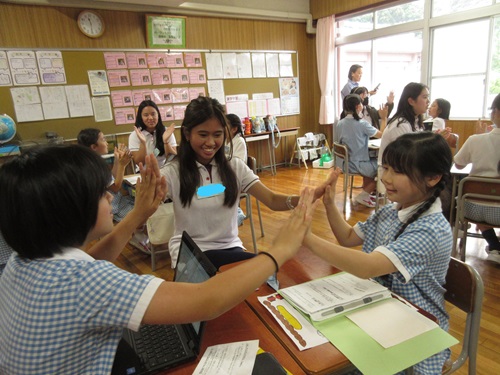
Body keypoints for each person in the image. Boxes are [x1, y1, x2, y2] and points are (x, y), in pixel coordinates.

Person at [0, 143, 318, 374]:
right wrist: (279, 251)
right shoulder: (87, 283)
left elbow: (93, 260)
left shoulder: (20, 261)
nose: (110, 196)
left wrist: (138, 213)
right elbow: (208, 300)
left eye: (218, 134)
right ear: (70, 210)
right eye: (100, 193)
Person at [304, 132, 454, 374]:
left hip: (417, 323)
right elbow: (348, 237)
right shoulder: (391, 212)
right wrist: (330, 204)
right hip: (380, 309)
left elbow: (368, 266)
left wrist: (307, 239)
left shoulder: (431, 229)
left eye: (399, 171)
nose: (386, 178)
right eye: (385, 168)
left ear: (433, 178)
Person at [161, 96, 335, 269]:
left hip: (230, 249)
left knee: (269, 276)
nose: (211, 142)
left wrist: (309, 197)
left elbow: (272, 200)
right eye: (203, 135)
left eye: (217, 135)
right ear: (187, 134)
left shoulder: (234, 167)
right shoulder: (173, 172)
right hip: (190, 254)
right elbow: (145, 208)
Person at [454, 93, 500, 262]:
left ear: (494, 112)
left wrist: (479, 138)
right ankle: (495, 247)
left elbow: (458, 164)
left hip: (472, 209)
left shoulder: (475, 140)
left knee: (475, 199)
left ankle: (495, 246)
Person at [337, 94, 387, 208]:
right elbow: (382, 135)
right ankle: (364, 195)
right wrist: (384, 118)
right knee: (383, 167)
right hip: (357, 164)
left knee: (372, 161)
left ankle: (367, 194)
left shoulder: (340, 123)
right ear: (358, 106)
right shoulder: (362, 124)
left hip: (344, 163)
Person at [77, 128, 134, 222]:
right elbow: (116, 187)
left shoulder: (90, 161)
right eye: (103, 140)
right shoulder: (95, 166)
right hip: (111, 206)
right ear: (94, 147)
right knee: (139, 211)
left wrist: (117, 160)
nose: (107, 143)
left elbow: (112, 179)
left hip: (112, 202)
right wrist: (122, 166)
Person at [128, 100, 177, 168]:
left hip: (165, 170)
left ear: (158, 115)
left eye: (153, 114)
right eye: (146, 115)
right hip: (145, 172)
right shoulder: (134, 135)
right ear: (141, 117)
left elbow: (173, 159)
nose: (150, 118)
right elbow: (140, 163)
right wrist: (143, 142)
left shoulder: (167, 132)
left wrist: (166, 142)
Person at [225, 113, 248, 226]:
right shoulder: (224, 141)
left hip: (234, 179)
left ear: (234, 129)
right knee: (203, 192)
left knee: (208, 192)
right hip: (224, 177)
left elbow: (236, 166)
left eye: (225, 125)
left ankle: (236, 213)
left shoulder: (239, 142)